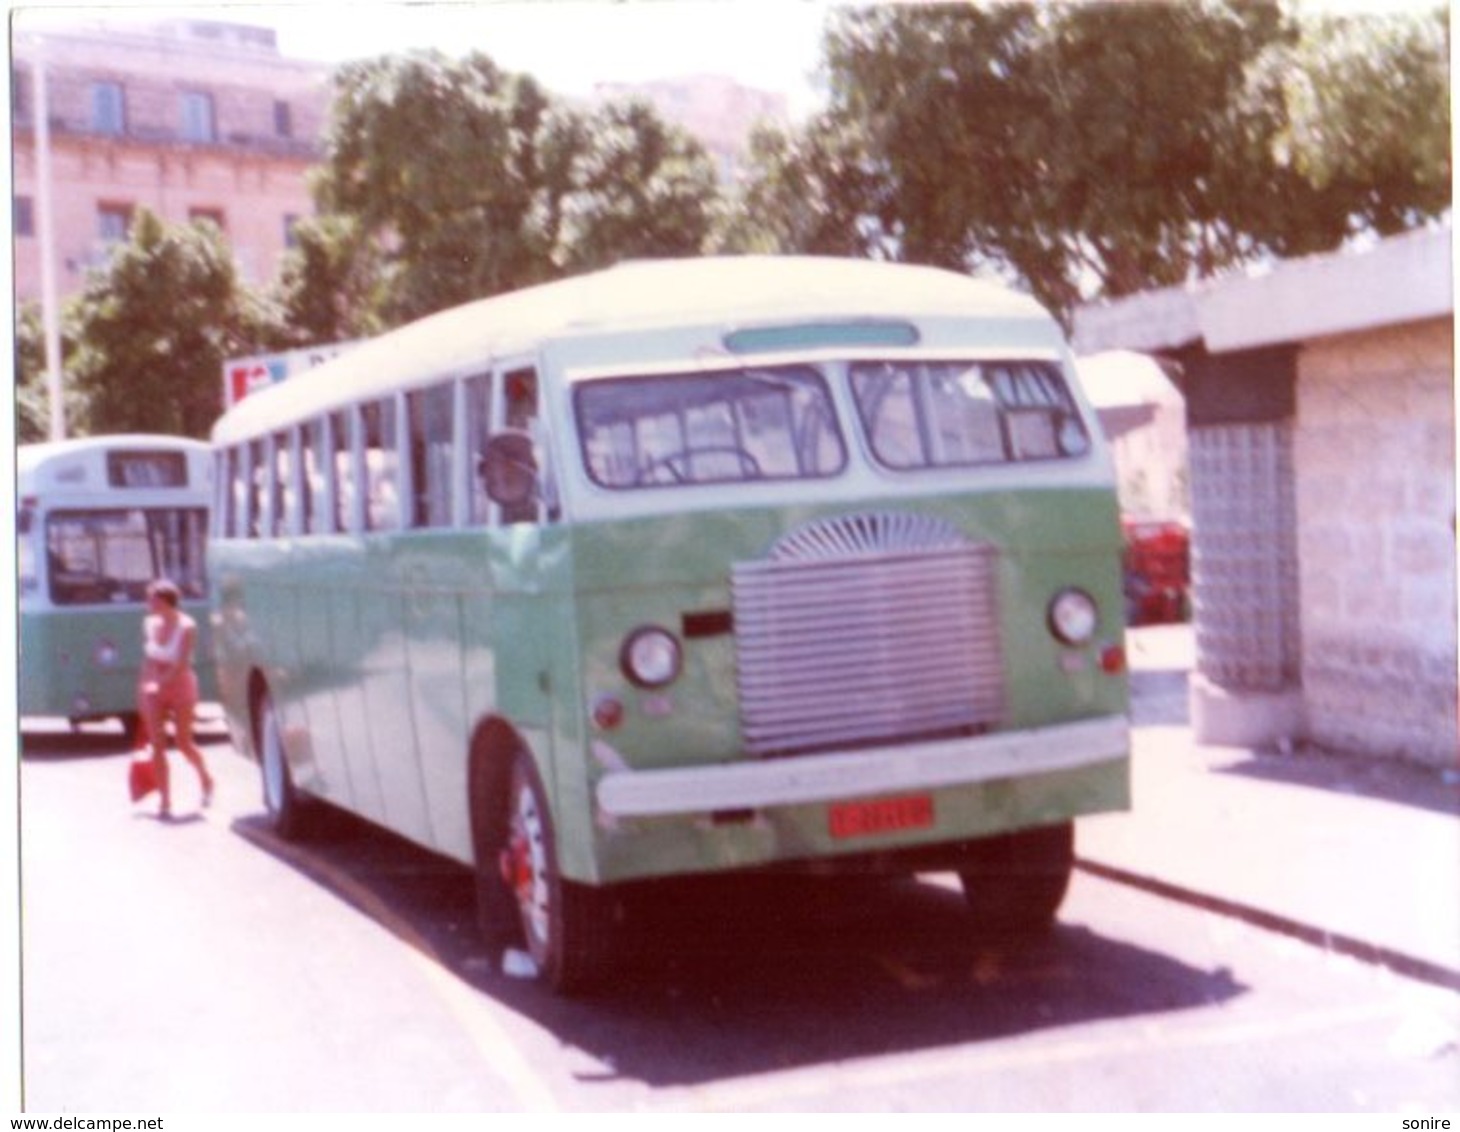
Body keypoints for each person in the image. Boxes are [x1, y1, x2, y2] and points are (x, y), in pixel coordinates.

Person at [139, 578, 214, 819]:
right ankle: (165, 800)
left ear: (165, 601)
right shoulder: (150, 623)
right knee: (157, 745)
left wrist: (159, 683)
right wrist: (146, 686)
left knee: (183, 742)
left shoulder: (187, 626)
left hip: (179, 684)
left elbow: (181, 663)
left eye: (153, 599)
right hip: (153, 685)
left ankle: (205, 779)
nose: (148, 603)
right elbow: (150, 659)